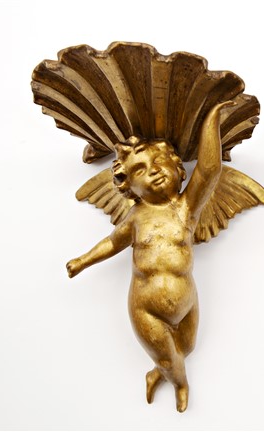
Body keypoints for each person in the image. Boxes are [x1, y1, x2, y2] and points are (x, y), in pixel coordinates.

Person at [66, 101, 234, 412]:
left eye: (158, 161)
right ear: (129, 187)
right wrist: (83, 261)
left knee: (186, 347)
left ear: (176, 167)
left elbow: (209, 170)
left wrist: (212, 119)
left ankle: (159, 371)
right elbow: (112, 243)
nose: (154, 171)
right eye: (140, 170)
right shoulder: (136, 217)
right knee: (171, 360)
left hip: (187, 299)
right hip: (146, 308)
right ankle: (180, 384)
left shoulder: (185, 209)